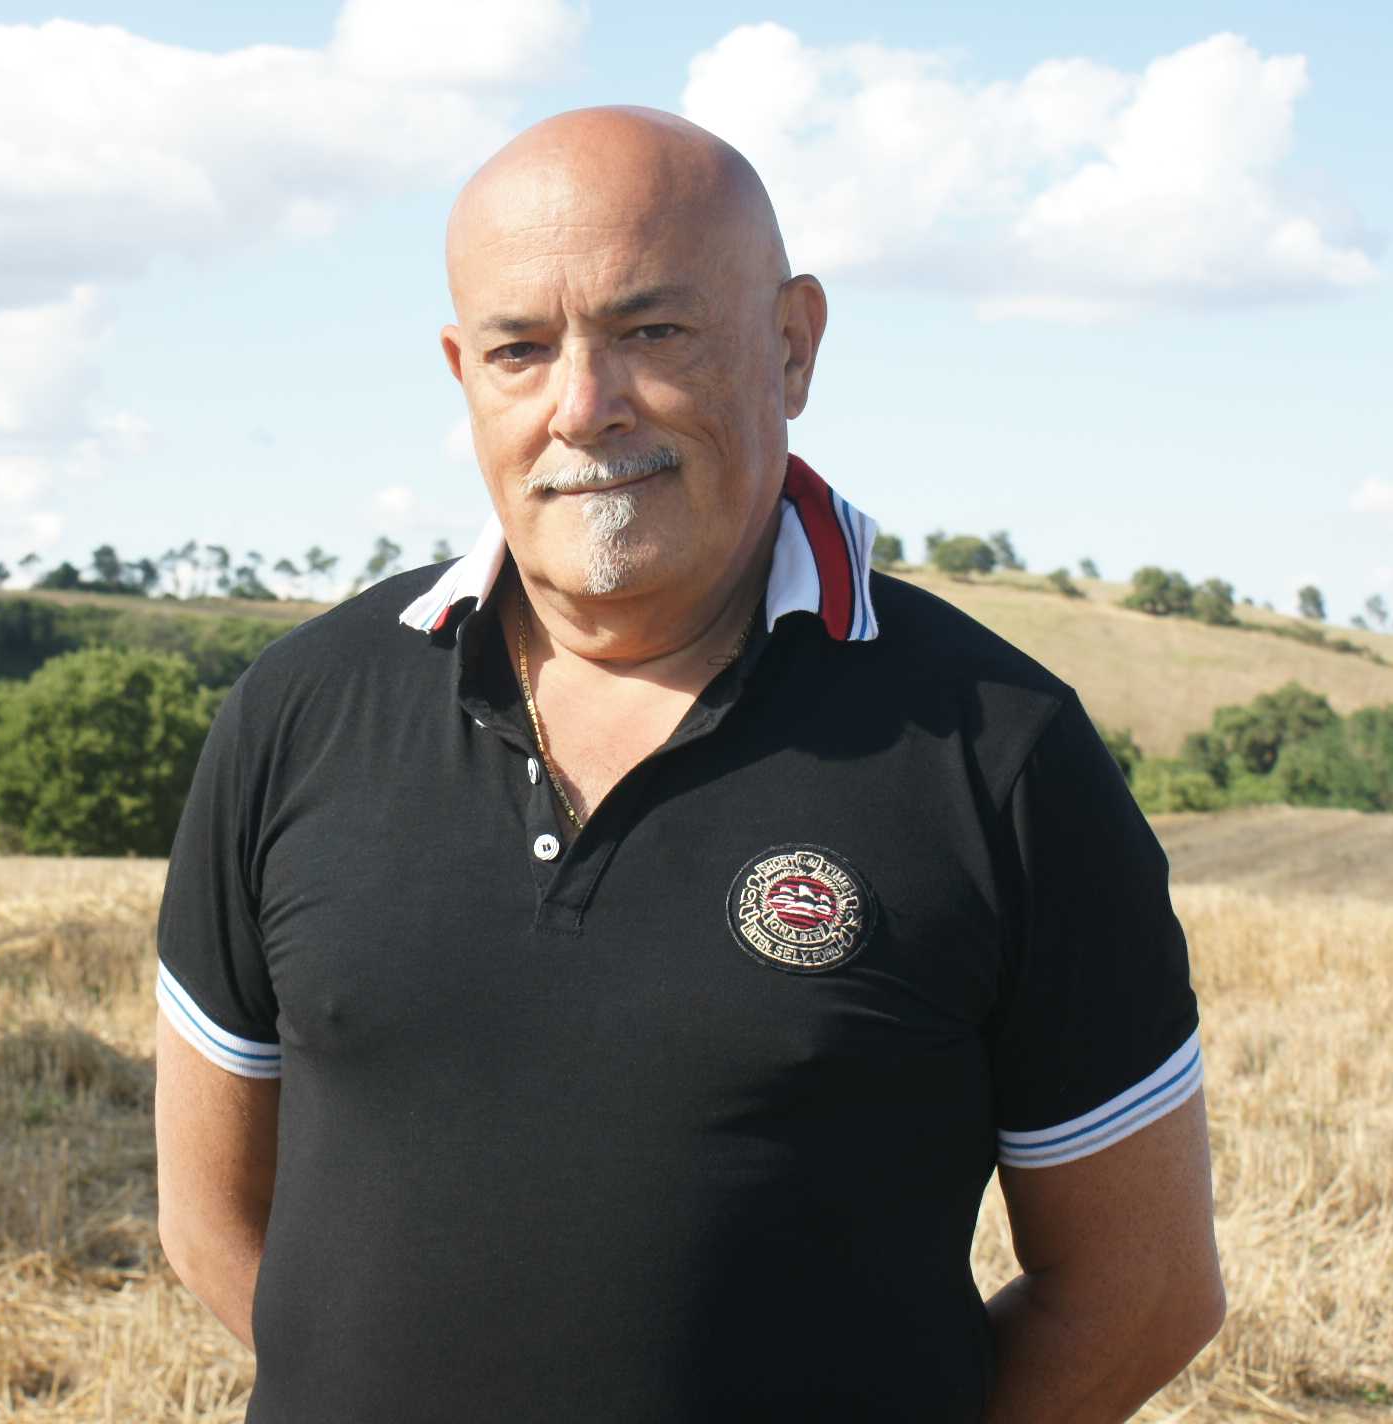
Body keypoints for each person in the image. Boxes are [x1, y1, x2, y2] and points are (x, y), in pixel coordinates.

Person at [153, 105, 1224, 1422]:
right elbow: (211, 1217)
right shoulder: (301, 709)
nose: (583, 408)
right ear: (462, 372)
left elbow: (1141, 1292)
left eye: (653, 333)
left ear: (793, 344)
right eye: (520, 350)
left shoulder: (999, 750)